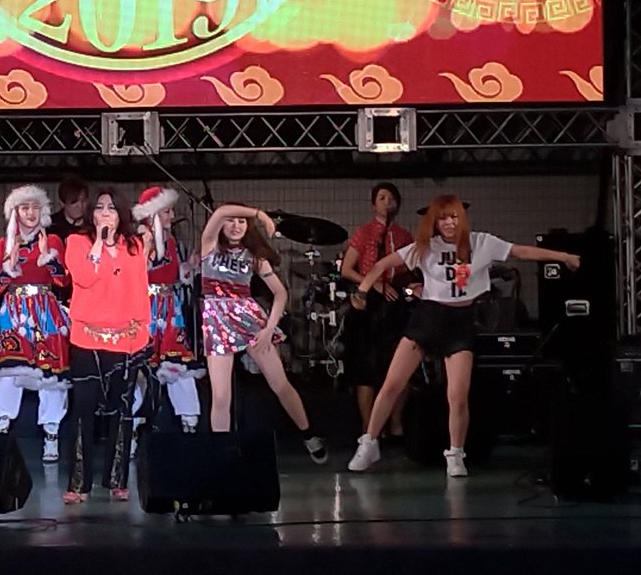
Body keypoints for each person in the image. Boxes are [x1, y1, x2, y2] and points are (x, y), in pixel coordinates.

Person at [347, 194, 581, 477]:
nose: (449, 223)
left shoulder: (481, 243)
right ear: (435, 222)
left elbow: (522, 252)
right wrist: (362, 291)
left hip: (460, 322)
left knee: (457, 395)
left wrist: (563, 256)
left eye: (454, 216)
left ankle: (456, 454)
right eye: (442, 218)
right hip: (428, 318)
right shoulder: (425, 247)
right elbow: (380, 265)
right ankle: (369, 443)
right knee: (392, 384)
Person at [200, 203, 327, 464]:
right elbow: (220, 211)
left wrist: (269, 329)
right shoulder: (209, 246)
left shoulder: (254, 257)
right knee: (221, 396)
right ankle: (221, 455)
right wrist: (259, 214)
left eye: (242, 221)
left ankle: (309, 434)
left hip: (250, 320)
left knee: (280, 384)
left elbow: (280, 293)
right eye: (232, 220)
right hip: (216, 322)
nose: (236, 225)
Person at [62, 187, 151, 503]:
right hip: (87, 337)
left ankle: (117, 479)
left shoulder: (134, 245)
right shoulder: (77, 242)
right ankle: (78, 484)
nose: (104, 213)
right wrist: (99, 242)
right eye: (99, 207)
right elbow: (84, 277)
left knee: (121, 410)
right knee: (83, 410)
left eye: (111, 208)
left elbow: (140, 288)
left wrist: (142, 332)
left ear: (120, 213)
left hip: (125, 337)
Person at [0, 184, 70, 462]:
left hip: (45, 310)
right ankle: (1, 430)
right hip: (14, 312)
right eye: (24, 208)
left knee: (50, 374)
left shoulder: (53, 241)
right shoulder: (2, 245)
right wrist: (10, 266)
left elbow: (63, 280)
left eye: (35, 207)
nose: (30, 213)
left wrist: (47, 258)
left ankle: (51, 435)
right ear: (14, 212)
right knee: (8, 371)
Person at [340, 182, 414, 437]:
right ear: (373, 204)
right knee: (366, 367)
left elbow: (411, 269)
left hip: (396, 301)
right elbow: (346, 269)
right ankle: (369, 426)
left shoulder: (404, 236)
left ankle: (396, 423)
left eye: (392, 198)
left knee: (399, 365)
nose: (387, 202)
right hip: (369, 301)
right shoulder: (364, 233)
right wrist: (373, 284)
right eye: (382, 198)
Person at [132, 186, 202, 433]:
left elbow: (172, 275)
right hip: (145, 307)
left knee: (178, 361)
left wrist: (188, 267)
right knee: (140, 366)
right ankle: (133, 424)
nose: (172, 216)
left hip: (169, 307)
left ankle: (189, 420)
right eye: (167, 211)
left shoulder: (169, 241)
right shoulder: (138, 241)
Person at [48, 175, 89, 242]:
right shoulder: (51, 226)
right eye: (74, 202)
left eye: (84, 200)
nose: (80, 205)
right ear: (62, 203)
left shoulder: (93, 223)